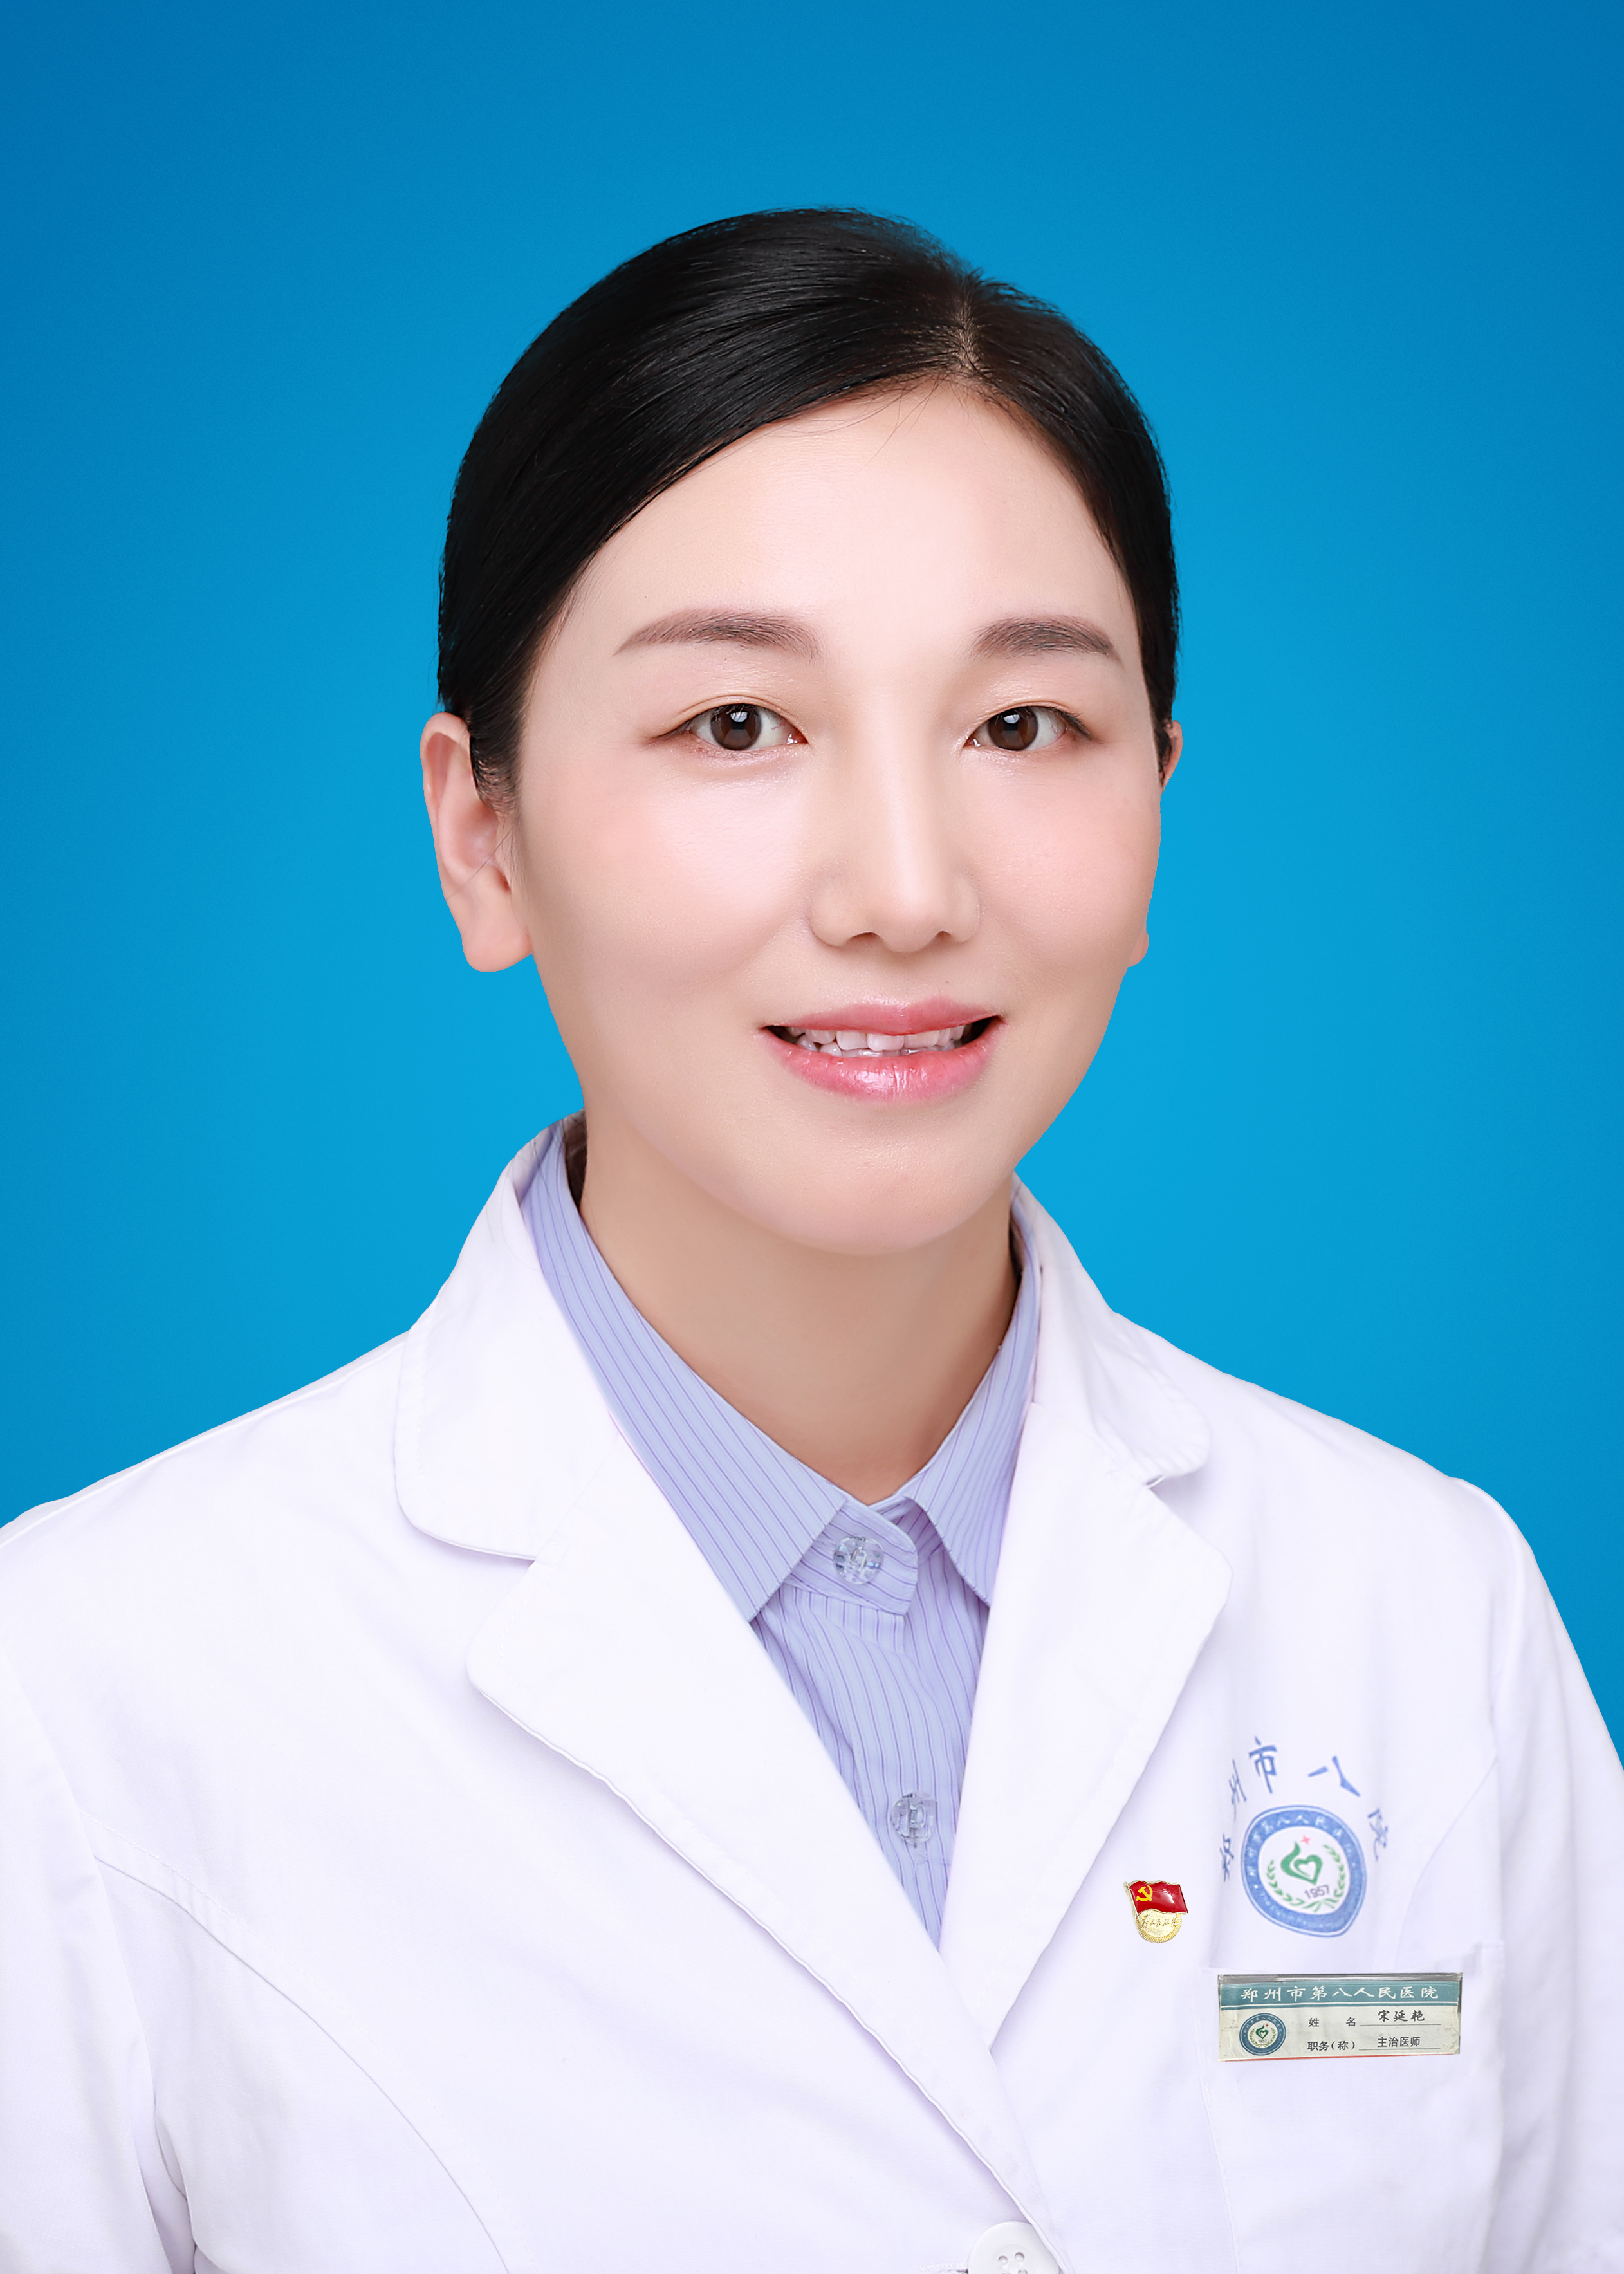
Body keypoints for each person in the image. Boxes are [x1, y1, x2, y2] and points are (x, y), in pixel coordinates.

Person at [1, 208, 1618, 2274]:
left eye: (1020, 727)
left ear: (1155, 808)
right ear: (482, 835)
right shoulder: (86, 1688)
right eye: (736, 726)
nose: (903, 888)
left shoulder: (1423, 1613)